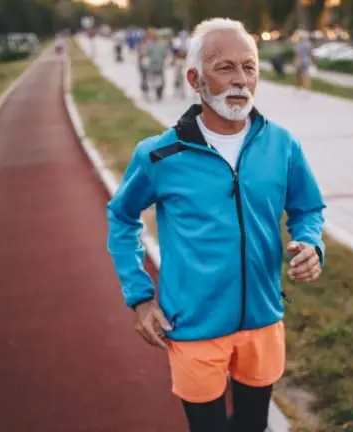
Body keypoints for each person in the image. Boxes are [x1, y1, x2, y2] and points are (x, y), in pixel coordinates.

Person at [107, 17, 326, 432]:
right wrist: (139, 297)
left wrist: (311, 243)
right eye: (224, 67)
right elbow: (121, 217)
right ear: (195, 78)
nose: (240, 80)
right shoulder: (159, 155)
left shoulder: (282, 144)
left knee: (252, 425)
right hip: (193, 326)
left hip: (263, 319)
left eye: (249, 66)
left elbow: (307, 208)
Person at [143, 28, 169, 101]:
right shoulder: (149, 45)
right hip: (152, 65)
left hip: (160, 65)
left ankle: (160, 92)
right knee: (153, 80)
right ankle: (155, 92)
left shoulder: (162, 44)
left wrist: (166, 61)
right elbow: (146, 54)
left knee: (161, 80)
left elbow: (165, 54)